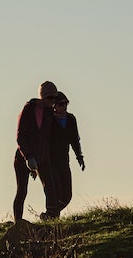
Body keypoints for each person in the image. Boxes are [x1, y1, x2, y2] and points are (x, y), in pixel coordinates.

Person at [12, 80, 58, 223]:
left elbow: (48, 138)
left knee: (50, 187)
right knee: (22, 190)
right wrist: (28, 157)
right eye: (50, 98)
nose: (53, 101)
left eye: (55, 98)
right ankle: (18, 222)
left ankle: (52, 218)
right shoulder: (28, 110)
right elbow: (20, 136)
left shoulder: (50, 113)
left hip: (42, 157)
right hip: (23, 157)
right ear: (42, 97)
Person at [43, 92, 85, 220]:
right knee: (55, 191)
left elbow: (74, 140)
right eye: (61, 104)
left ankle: (50, 215)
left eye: (66, 103)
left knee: (67, 195)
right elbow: (43, 140)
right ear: (54, 105)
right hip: (50, 161)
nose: (64, 106)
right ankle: (52, 217)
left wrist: (79, 157)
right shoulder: (49, 119)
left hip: (64, 160)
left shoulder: (71, 119)